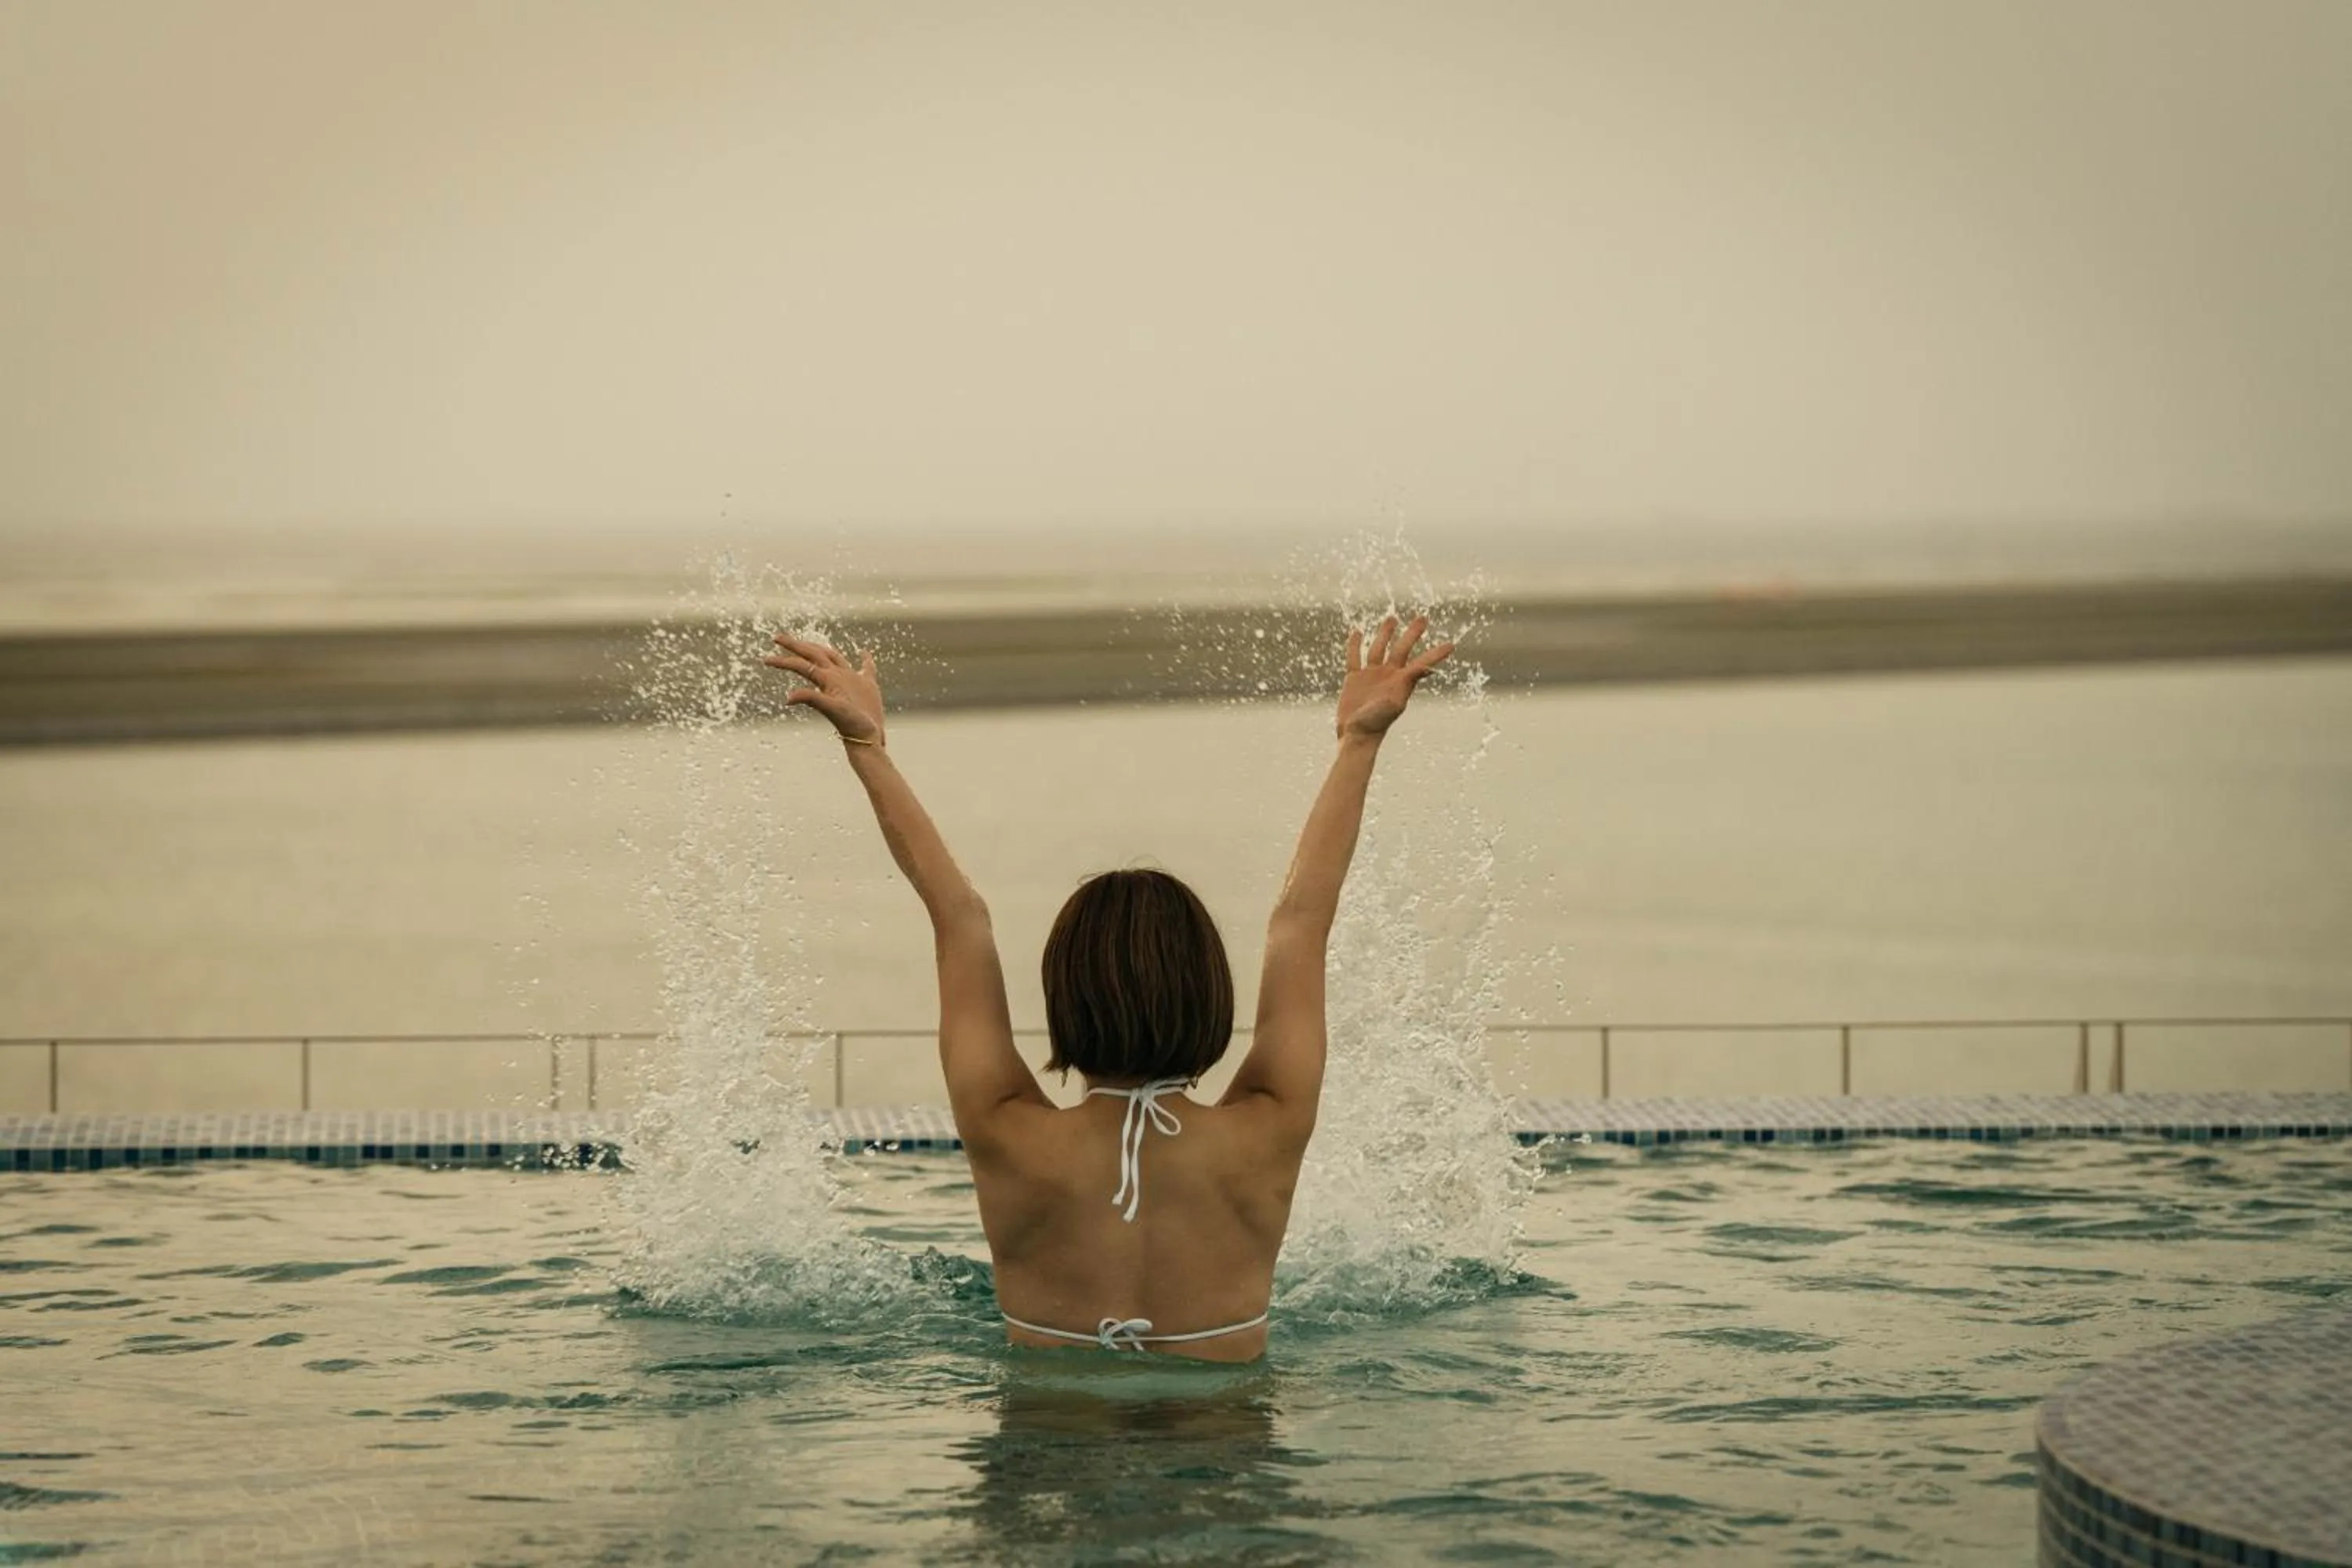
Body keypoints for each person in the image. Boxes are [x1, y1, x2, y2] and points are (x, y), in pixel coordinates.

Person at [763, 615, 1454, 1360]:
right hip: (1225, 1454)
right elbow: (1301, 921)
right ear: (1210, 996)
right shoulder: (1269, 1125)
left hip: (1050, 1442)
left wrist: (866, 748)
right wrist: (1360, 741)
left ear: (1064, 1001)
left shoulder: (1006, 1128)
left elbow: (958, 919)